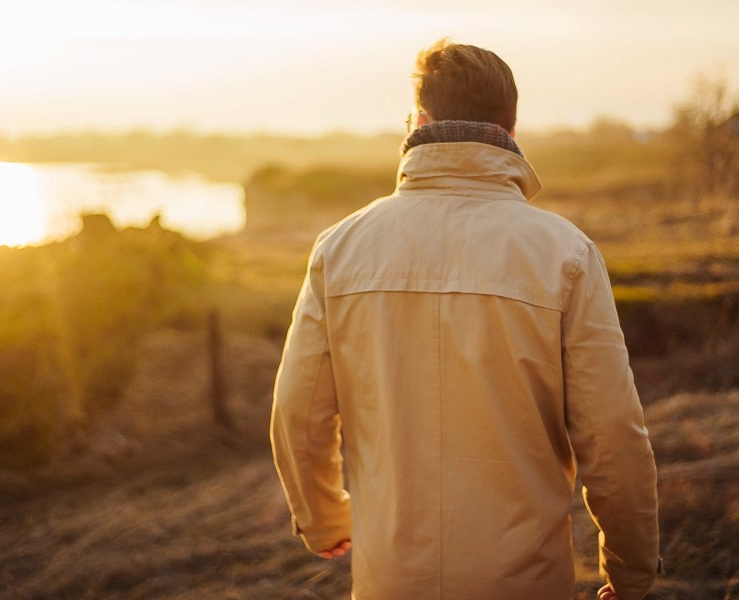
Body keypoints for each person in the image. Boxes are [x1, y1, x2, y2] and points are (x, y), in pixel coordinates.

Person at [270, 39, 660, 600]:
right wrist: (630, 574)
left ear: (420, 121)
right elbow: (614, 438)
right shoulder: (565, 255)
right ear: (511, 130)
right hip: (525, 582)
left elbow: (297, 410)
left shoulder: (340, 250)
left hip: (390, 581)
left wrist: (324, 519)